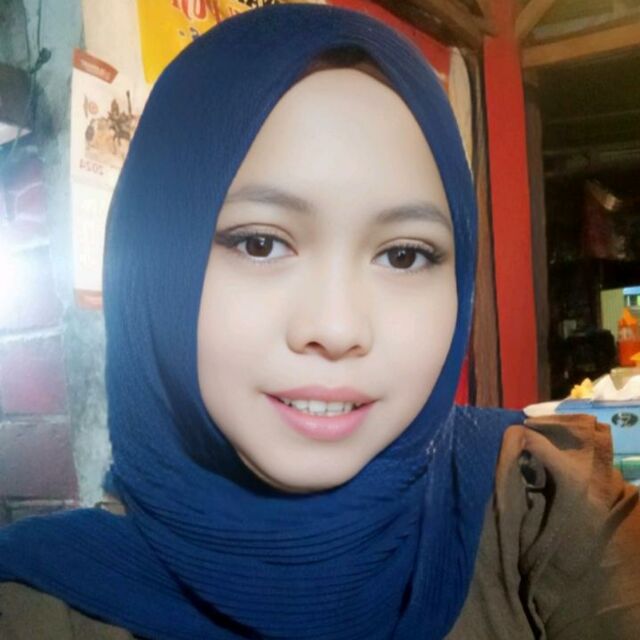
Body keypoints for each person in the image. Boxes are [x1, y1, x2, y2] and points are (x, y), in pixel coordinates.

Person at [1, 4, 639, 639]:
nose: (336, 329)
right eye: (260, 244)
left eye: (404, 255)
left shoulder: (538, 508)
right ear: (151, 267)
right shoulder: (41, 609)